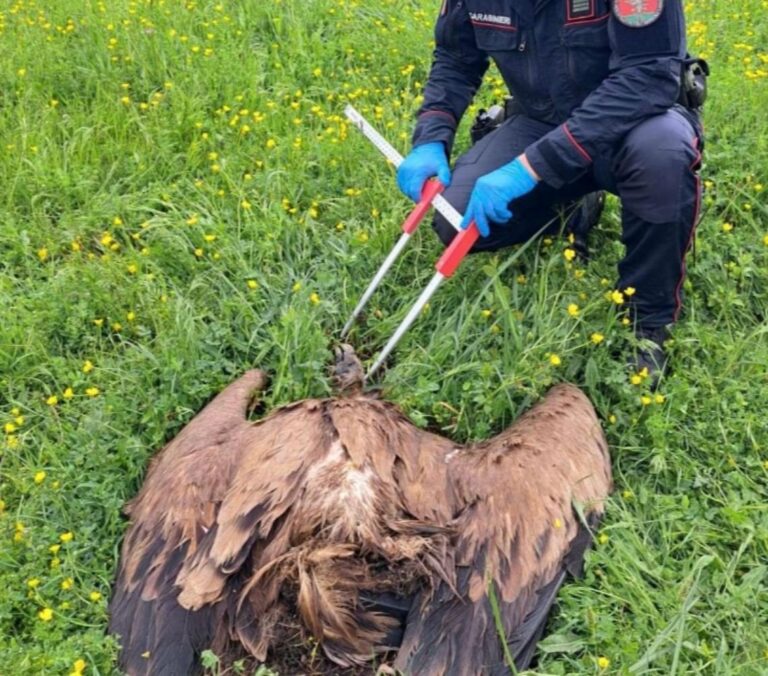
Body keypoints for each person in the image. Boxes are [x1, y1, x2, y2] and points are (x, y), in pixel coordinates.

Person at [397, 0, 703, 386]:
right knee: (457, 220)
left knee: (663, 153)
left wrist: (530, 167)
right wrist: (431, 138)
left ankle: (647, 319)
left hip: (635, 122)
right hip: (540, 122)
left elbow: (648, 76)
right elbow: (455, 59)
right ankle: (574, 211)